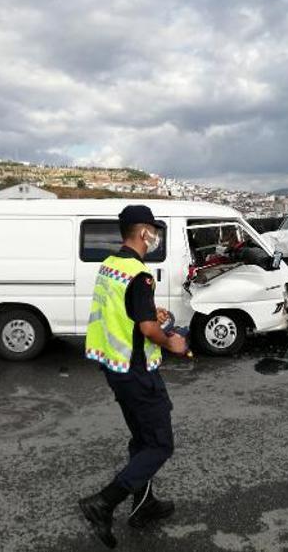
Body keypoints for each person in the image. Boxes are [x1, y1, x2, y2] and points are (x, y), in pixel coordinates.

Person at [79, 205, 187, 549]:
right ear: (144, 233)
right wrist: (173, 341)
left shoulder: (110, 267)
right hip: (138, 372)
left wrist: (149, 314)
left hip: (115, 368)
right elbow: (147, 329)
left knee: (142, 440)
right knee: (159, 444)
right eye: (154, 231)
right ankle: (104, 502)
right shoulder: (139, 275)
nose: (155, 237)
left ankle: (144, 505)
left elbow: (123, 312)